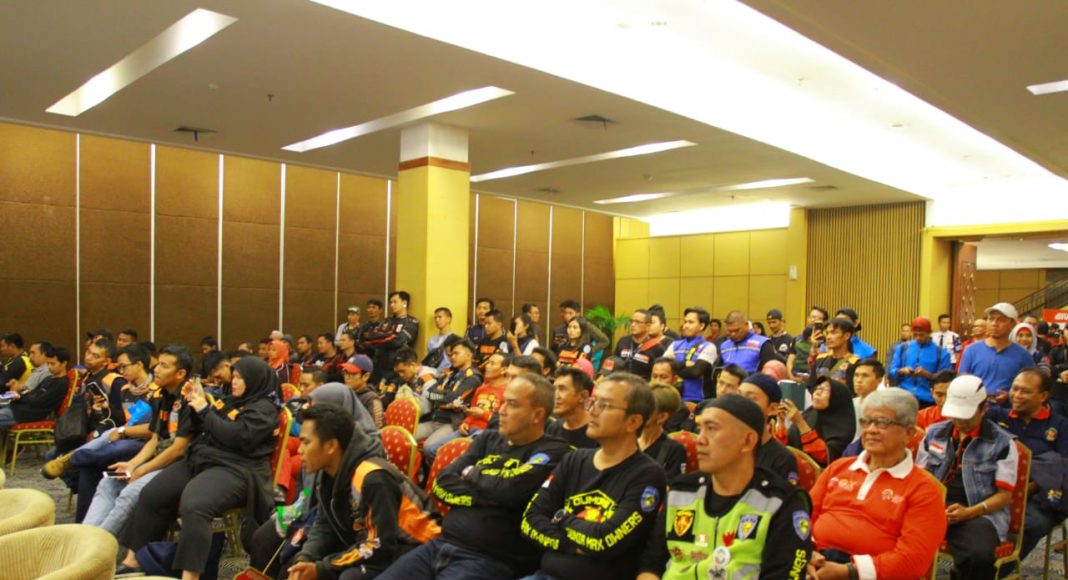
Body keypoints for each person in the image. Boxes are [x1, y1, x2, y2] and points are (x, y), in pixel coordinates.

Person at [380, 373, 571, 580]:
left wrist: (471, 473)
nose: (501, 410)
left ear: (537, 415)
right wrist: (491, 497)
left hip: (489, 559)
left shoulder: (553, 451)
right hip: (440, 544)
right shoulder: (488, 439)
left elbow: (509, 490)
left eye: (512, 404)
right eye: (503, 402)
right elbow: (441, 484)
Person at [118, 356, 281, 579]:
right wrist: (194, 404)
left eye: (239, 378)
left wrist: (204, 409)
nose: (233, 381)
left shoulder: (264, 410)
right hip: (206, 459)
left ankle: (190, 575)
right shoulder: (231, 400)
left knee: (195, 505)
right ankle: (133, 560)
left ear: (254, 380)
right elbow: (206, 425)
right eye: (233, 376)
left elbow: (234, 436)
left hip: (237, 469)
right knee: (153, 493)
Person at [637, 394, 812, 580]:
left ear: (747, 441)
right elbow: (650, 564)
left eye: (712, 429)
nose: (699, 440)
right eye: (700, 429)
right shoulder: (681, 490)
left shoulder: (781, 503)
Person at [521, 373, 667, 580]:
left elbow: (604, 540)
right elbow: (530, 520)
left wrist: (561, 517)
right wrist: (570, 544)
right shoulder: (574, 459)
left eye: (604, 405)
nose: (593, 411)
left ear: (633, 422)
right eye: (593, 402)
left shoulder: (648, 475)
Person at [286, 404, 440, 580]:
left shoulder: (372, 478)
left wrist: (322, 568)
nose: (300, 450)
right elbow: (324, 525)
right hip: (377, 543)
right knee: (294, 563)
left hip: (421, 549)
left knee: (350, 577)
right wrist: (305, 558)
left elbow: (378, 545)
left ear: (330, 446)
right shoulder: (328, 472)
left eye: (306, 442)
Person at [808, 388, 947, 579]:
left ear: (909, 433)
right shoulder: (839, 468)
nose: (871, 430)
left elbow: (913, 560)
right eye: (866, 421)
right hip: (814, 562)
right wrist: (807, 553)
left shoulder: (924, 490)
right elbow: (802, 518)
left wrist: (849, 572)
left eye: (882, 423)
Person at [83, 344, 195, 537]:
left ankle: (98, 542)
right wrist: (132, 465)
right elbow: (155, 438)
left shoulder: (191, 399)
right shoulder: (161, 396)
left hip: (181, 467)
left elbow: (178, 450)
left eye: (164, 366)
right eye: (158, 364)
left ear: (180, 374)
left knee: (131, 491)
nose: (156, 370)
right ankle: (85, 536)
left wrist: (141, 471)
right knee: (108, 484)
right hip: (158, 461)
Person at [916, 374, 1019, 580]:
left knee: (977, 556)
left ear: (984, 409)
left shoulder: (1003, 443)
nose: (959, 421)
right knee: (882, 533)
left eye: (966, 416)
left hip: (978, 513)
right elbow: (919, 477)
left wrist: (969, 512)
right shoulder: (934, 434)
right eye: (955, 415)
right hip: (932, 506)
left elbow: (1004, 496)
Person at [986, 368, 1068, 559]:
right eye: (1015, 389)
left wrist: (1028, 487)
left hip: (1039, 496)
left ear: (1043, 396)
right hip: (996, 489)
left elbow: (1064, 468)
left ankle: (999, 568)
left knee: (1032, 524)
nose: (1017, 395)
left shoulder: (1061, 425)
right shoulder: (997, 416)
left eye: (1025, 391)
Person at [424, 352, 509, 461]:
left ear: (503, 369)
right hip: (468, 428)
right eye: (488, 362)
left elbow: (502, 420)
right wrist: (465, 423)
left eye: (493, 363)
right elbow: (471, 411)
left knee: (460, 455)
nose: (487, 366)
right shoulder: (482, 388)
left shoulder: (508, 392)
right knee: (431, 450)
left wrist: (483, 414)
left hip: (485, 432)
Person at [959, 302, 1036, 403]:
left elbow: (1029, 386)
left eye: (1001, 320)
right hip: (976, 407)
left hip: (1009, 409)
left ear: (1012, 324)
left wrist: (1009, 396)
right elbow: (961, 382)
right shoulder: (971, 351)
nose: (994, 324)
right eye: (991, 319)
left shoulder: (1023, 355)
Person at [737, 373, 799, 483]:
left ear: (772, 408)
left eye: (751, 398)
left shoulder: (782, 459)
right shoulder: (725, 444)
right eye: (738, 396)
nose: (741, 403)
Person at [781, 377, 856, 466]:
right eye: (817, 388)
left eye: (826, 390)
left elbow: (825, 457)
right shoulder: (809, 414)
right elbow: (783, 445)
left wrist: (800, 423)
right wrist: (781, 422)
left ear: (837, 398)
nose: (817, 392)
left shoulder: (843, 426)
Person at [421, 339, 482, 445]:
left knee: (428, 447)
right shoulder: (450, 373)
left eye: (456, 353)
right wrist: (445, 396)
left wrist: (442, 395)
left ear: (468, 356)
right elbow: (429, 392)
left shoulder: (473, 377)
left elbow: (453, 399)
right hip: (434, 418)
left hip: (452, 423)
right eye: (451, 354)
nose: (452, 357)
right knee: (406, 435)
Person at [0, 344, 69, 430]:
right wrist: (19, 395)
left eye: (53, 364)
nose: (49, 367)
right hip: (19, 408)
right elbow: (34, 393)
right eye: (48, 363)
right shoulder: (49, 378)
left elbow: (39, 401)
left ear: (64, 363)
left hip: (26, 414)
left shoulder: (60, 383)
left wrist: (20, 397)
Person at [890, 316, 952, 406]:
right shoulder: (902, 348)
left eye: (922, 335)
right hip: (904, 396)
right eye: (915, 335)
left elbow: (945, 380)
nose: (918, 338)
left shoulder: (942, 353)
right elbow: (892, 371)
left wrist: (927, 375)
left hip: (928, 399)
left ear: (930, 333)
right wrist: (901, 371)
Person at [361, 291, 419, 385]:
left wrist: (382, 339)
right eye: (390, 302)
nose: (392, 305)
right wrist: (390, 336)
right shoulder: (386, 321)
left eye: (395, 302)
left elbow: (398, 341)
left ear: (404, 303)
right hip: (379, 365)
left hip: (397, 368)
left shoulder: (411, 322)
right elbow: (372, 336)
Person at [663, 307, 718, 402]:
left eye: (690, 322)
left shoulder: (709, 347)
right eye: (685, 322)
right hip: (672, 397)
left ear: (701, 326)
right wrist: (685, 364)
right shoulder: (675, 344)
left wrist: (674, 366)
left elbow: (695, 372)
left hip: (696, 399)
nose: (685, 326)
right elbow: (663, 368)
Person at [640, 383, 688, 476]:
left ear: (661, 417)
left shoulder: (673, 450)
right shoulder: (626, 440)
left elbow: (671, 483)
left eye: (644, 408)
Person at [545, 366, 598, 449]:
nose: (555, 395)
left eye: (562, 389)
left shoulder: (599, 433)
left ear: (583, 395)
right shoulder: (553, 428)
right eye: (554, 389)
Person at [613, 308, 667, 381]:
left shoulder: (656, 347)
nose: (633, 325)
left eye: (637, 322)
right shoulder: (623, 341)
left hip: (643, 386)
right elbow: (614, 362)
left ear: (648, 326)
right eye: (631, 321)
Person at [809, 318, 861, 389]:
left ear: (847, 336)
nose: (828, 337)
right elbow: (811, 386)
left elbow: (853, 391)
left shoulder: (854, 363)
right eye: (827, 333)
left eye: (833, 333)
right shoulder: (820, 359)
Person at [341, 355, 382, 428]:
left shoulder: (371, 398)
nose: (347, 377)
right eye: (345, 372)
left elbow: (376, 428)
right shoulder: (344, 394)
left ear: (366, 376)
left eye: (352, 373)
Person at [424, 307, 453, 373]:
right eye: (435, 318)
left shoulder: (455, 339)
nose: (437, 320)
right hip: (432, 373)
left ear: (448, 319)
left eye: (440, 317)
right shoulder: (431, 340)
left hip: (448, 374)